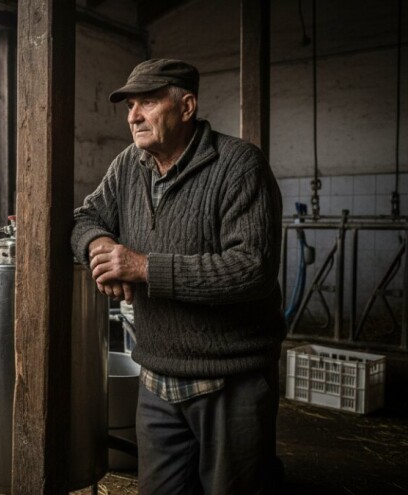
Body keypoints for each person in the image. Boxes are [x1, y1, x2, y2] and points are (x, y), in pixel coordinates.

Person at [71, 59, 285, 494]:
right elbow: (85, 217)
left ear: (186, 107)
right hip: (157, 380)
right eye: (131, 105)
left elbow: (251, 269)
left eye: (147, 102)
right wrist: (101, 248)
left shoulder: (239, 165)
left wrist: (142, 267)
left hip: (229, 381)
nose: (133, 116)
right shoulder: (129, 165)